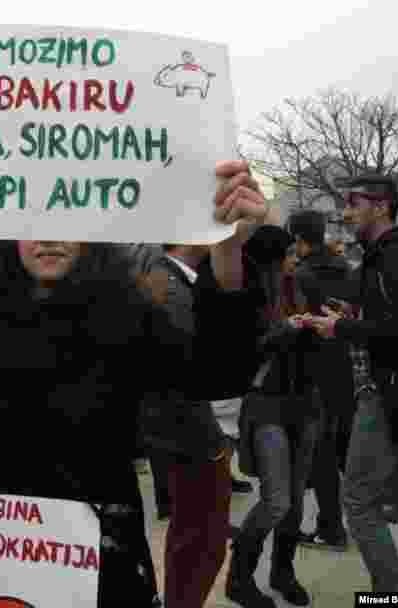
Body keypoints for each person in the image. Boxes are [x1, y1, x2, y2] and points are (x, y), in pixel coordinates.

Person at [0, 161, 270, 606]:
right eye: (32, 222)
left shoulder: (129, 318)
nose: (48, 237)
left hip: (104, 558)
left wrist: (227, 250)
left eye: (66, 219)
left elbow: (217, 374)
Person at [306, 173, 398, 593]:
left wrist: (343, 330)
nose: (345, 211)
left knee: (359, 503)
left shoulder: (393, 254)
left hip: (387, 391)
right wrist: (354, 316)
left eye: (353, 202)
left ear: (380, 205)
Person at [141, 243, 248, 608]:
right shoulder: (168, 286)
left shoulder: (174, 280)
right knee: (200, 543)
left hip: (185, 430)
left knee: (198, 541)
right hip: (186, 434)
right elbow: (200, 364)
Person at [229, 226, 321, 608]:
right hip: (266, 404)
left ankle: (282, 573)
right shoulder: (245, 294)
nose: (294, 259)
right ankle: (239, 578)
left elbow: (309, 338)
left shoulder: (295, 286)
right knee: (277, 500)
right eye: (287, 254)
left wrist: (322, 324)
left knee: (296, 502)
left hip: (304, 402)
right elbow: (241, 351)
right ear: (269, 258)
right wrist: (286, 329)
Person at [288, 210, 355, 551]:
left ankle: (331, 527)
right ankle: (359, 515)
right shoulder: (346, 268)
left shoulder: (302, 274)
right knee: (345, 448)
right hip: (345, 366)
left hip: (314, 370)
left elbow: (300, 325)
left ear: (299, 239)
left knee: (322, 455)